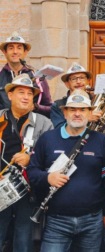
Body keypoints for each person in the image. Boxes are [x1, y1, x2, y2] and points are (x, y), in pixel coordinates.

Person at [26, 89, 105, 252]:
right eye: (73, 109)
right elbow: (32, 171)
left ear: (90, 113)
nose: (77, 114)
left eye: (82, 109)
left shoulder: (101, 140)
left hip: (92, 221)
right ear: (65, 113)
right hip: (56, 221)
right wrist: (48, 178)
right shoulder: (48, 139)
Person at [0, 73, 53, 252]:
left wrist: (32, 160)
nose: (25, 97)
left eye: (29, 94)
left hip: (28, 191)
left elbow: (52, 158)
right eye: (20, 92)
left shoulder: (45, 123)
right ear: (9, 95)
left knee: (23, 240)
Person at [50, 62, 105, 129]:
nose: (78, 82)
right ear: (67, 84)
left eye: (82, 78)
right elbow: (58, 129)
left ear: (88, 81)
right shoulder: (58, 105)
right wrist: (85, 120)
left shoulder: (101, 101)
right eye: (74, 79)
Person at [0, 31, 53, 117]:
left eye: (19, 48)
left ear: (25, 52)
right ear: (5, 52)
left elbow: (50, 109)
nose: (15, 52)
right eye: (11, 48)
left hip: (32, 127)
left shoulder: (39, 77)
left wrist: (36, 107)